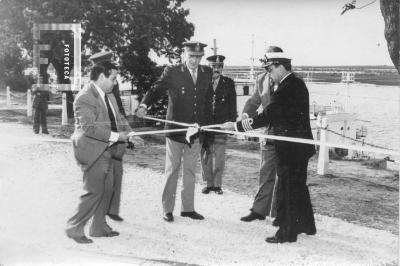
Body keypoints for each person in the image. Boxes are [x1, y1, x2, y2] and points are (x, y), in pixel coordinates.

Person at [222, 48, 316, 243]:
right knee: (298, 186)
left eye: (270, 69)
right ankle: (306, 224)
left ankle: (287, 233)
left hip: (290, 148)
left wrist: (237, 126)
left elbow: (268, 115)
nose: (269, 73)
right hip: (298, 146)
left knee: (288, 187)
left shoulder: (287, 87)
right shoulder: (294, 83)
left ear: (281, 66)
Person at [136, 41, 213, 222]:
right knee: (172, 170)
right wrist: (144, 105)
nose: (194, 60)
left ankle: (188, 209)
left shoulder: (206, 73)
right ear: (184, 54)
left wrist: (208, 129)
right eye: (191, 56)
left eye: (198, 57)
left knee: (190, 171)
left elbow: (208, 103)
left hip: (196, 131)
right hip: (176, 130)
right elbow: (156, 88)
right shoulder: (173, 72)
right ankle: (167, 209)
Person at [65, 61, 133, 244]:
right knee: (94, 191)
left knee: (107, 189)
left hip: (107, 149)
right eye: (113, 78)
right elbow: (89, 128)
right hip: (92, 150)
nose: (115, 82)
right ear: (101, 76)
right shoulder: (85, 97)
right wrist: (118, 136)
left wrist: (129, 132)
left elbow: (117, 118)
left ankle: (98, 227)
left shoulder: (108, 95)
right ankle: (74, 228)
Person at [239, 46, 283, 222]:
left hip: (286, 135)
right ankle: (258, 211)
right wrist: (244, 116)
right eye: (265, 64)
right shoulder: (261, 79)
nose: (266, 67)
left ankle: (280, 214)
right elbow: (253, 102)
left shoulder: (290, 81)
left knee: (284, 176)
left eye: (269, 64)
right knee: (265, 172)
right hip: (269, 133)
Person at [88, 51, 127, 222]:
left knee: (117, 171)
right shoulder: (91, 90)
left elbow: (119, 111)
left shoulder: (113, 86)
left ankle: (113, 209)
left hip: (116, 133)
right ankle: (99, 214)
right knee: (104, 177)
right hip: (102, 138)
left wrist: (126, 132)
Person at [200, 55, 236, 195]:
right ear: (208, 67)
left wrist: (232, 123)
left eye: (219, 67)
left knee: (219, 156)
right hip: (205, 125)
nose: (216, 69)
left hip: (221, 125)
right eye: (213, 66)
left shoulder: (229, 83)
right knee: (206, 155)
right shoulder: (202, 83)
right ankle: (209, 184)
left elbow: (232, 105)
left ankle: (217, 185)